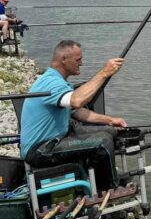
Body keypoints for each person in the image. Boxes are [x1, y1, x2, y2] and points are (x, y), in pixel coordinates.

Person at [19, 40, 127, 189]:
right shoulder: (50, 83)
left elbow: (77, 111)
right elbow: (77, 101)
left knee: (110, 131)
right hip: (41, 149)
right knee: (103, 142)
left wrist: (110, 120)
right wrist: (104, 72)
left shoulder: (57, 81)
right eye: (78, 60)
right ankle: (107, 190)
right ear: (63, 59)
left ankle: (95, 176)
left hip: (57, 137)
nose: (81, 63)